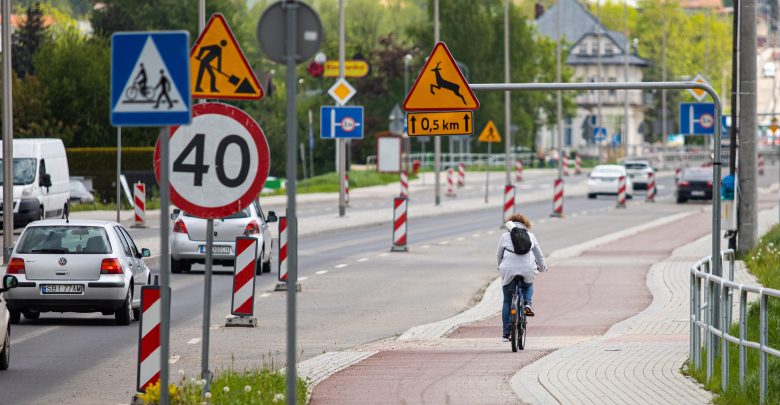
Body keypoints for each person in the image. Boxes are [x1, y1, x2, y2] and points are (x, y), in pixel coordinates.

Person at [496, 213, 548, 342]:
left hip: (508, 270)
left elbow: (499, 255)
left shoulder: (504, 236)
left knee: (507, 301)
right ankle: (527, 304)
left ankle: (505, 333)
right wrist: (543, 267)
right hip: (527, 269)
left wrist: (500, 266)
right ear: (525, 223)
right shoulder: (530, 236)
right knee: (528, 285)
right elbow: (539, 255)